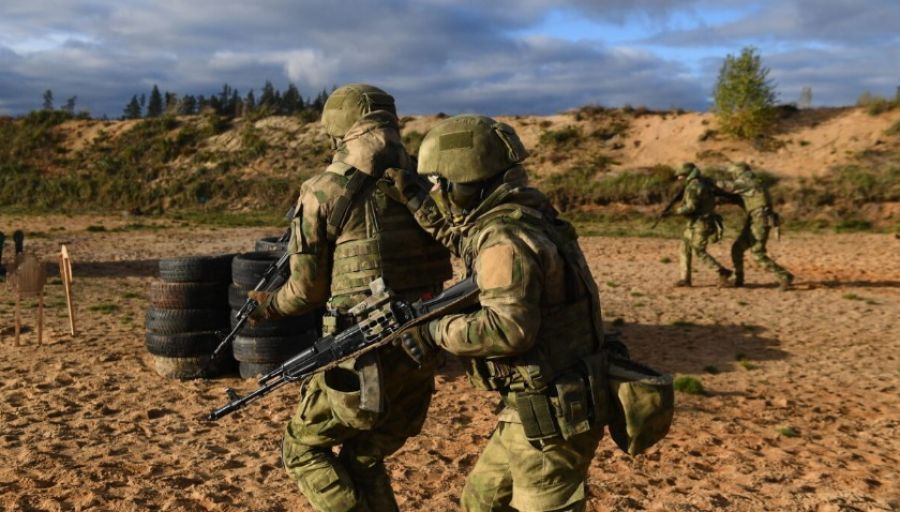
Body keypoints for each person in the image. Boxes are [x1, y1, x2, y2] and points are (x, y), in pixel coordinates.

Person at [388, 114, 611, 512]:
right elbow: (463, 240)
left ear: (466, 181)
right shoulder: (520, 215)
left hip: (554, 413)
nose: (437, 190)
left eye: (440, 183)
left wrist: (433, 330)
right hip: (537, 402)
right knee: (481, 502)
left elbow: (509, 329)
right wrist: (418, 200)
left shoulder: (506, 237)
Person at [247, 83, 453, 511]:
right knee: (364, 455)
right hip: (423, 351)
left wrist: (265, 308)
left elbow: (305, 292)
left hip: (362, 356)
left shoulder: (324, 189)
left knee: (301, 449)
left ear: (336, 130)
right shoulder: (420, 185)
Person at [720, 162, 793, 289]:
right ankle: (738, 279)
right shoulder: (751, 184)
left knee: (757, 253)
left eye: (733, 173)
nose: (733, 175)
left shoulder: (749, 182)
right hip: (754, 219)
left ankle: (784, 276)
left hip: (760, 220)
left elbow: (727, 186)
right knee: (737, 248)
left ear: (739, 172)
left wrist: (706, 182)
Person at [673, 162, 732, 287]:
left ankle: (722, 272)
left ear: (687, 174)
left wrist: (676, 211)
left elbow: (691, 206)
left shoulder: (694, 186)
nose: (679, 177)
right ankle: (685, 279)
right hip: (694, 222)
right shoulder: (702, 182)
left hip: (702, 222)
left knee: (698, 250)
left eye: (681, 174)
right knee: (684, 248)